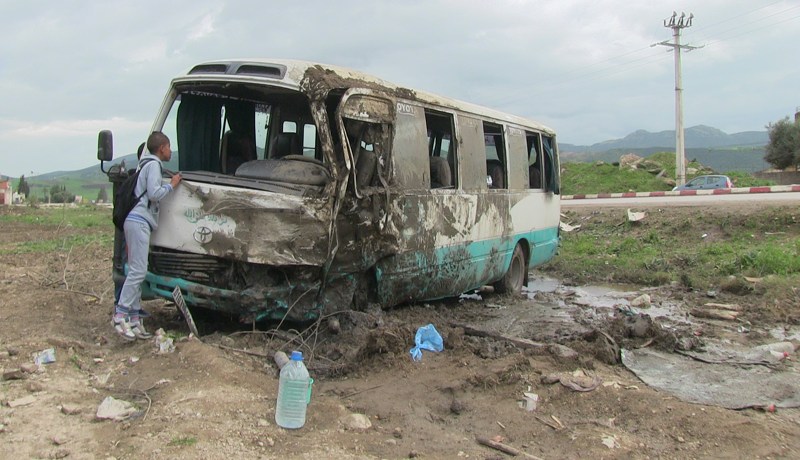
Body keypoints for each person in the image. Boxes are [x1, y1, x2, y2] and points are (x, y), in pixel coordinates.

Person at [113, 132, 182, 341]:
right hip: (139, 221)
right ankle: (120, 315)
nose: (170, 151)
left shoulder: (144, 165)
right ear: (161, 148)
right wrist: (172, 185)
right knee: (138, 271)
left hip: (135, 221)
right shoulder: (153, 165)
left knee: (137, 270)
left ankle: (134, 320)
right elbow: (153, 193)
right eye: (169, 147)